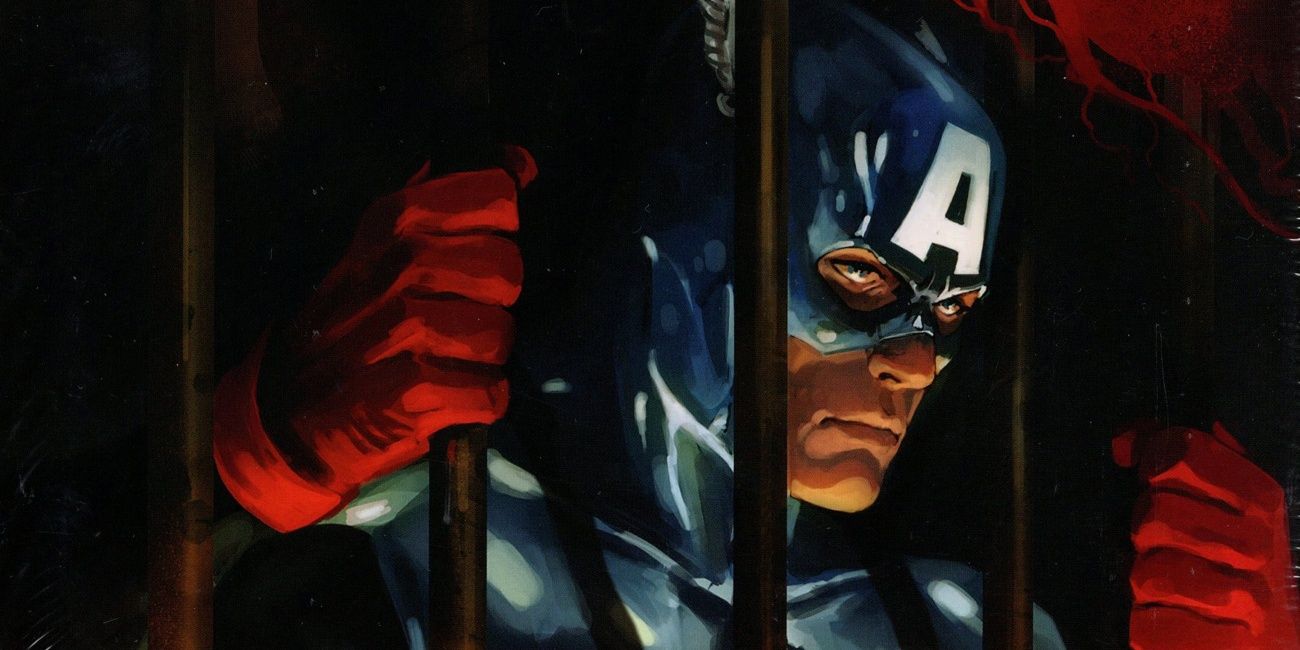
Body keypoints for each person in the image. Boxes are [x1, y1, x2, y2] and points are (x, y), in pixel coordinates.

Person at [212, 0, 1300, 647]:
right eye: (862, 274)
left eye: (950, 308)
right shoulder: (429, 518)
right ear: (691, 214)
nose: (916, 360)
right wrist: (259, 450)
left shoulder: (958, 626)